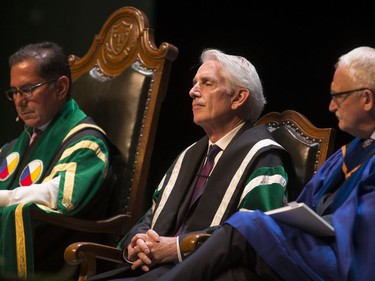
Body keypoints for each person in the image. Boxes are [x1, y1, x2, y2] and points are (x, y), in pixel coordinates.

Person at [151, 46, 375, 281]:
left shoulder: (264, 155)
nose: (331, 106)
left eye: (338, 96)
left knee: (247, 224)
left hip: (346, 263)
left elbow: (363, 228)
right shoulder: (345, 155)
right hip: (310, 253)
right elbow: (301, 208)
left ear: (367, 99)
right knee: (234, 276)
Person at [87, 48, 294, 281]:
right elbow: (152, 217)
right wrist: (137, 243)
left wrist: (178, 247)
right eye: (195, 83)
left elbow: (254, 235)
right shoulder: (189, 155)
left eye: (206, 83)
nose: (192, 92)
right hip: (155, 269)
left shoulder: (264, 158)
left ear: (238, 97)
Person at [0, 41, 122, 280]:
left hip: (56, 260)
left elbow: (58, 195)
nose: (19, 101)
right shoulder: (16, 145)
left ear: (61, 87)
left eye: (27, 89)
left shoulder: (87, 144)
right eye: (14, 92)